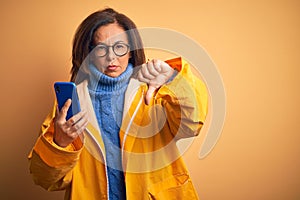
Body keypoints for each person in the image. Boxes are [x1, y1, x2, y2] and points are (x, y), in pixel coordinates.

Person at [28, 8, 208, 200]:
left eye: (119, 47)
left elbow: (192, 125)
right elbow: (45, 179)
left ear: (131, 51)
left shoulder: (154, 89)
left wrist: (173, 80)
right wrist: (60, 143)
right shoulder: (71, 103)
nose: (111, 57)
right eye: (101, 48)